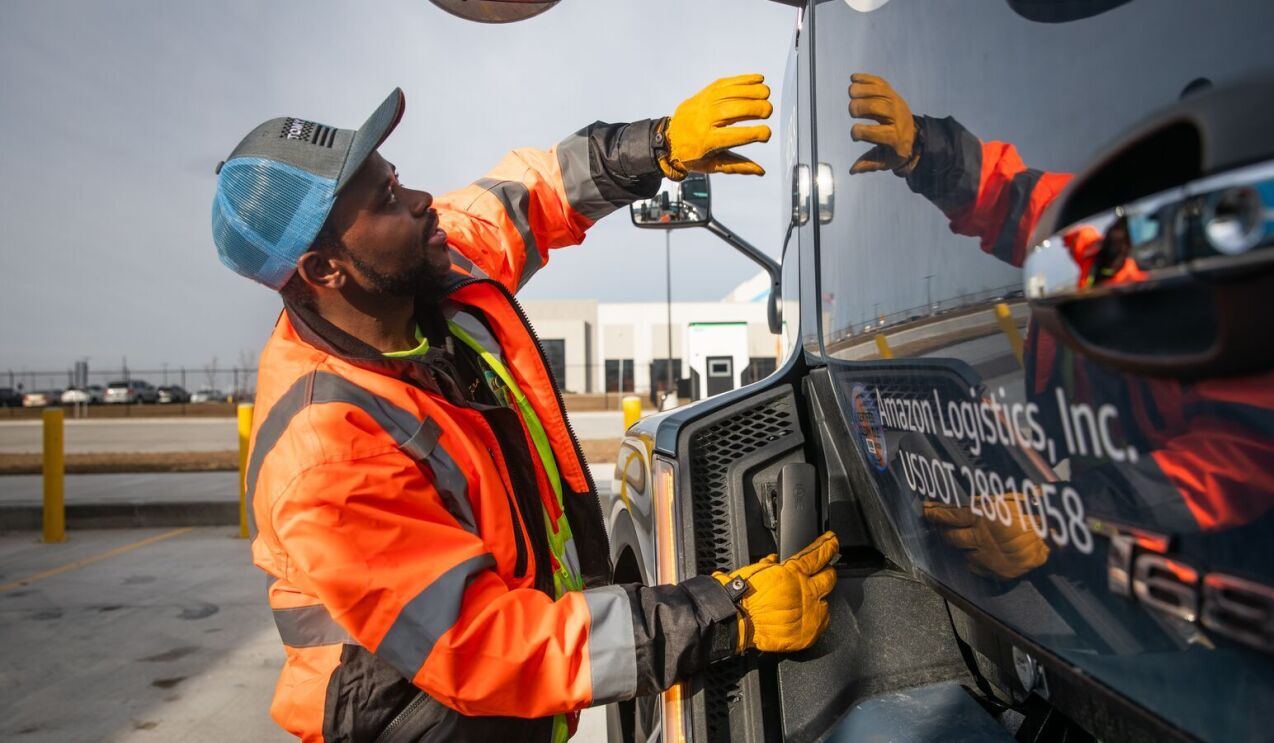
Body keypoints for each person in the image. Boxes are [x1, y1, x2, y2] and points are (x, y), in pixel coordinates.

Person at [211, 76, 839, 742]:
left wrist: (657, 147)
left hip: (507, 697)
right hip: (431, 719)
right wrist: (724, 615)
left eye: (397, 176)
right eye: (388, 198)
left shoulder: (418, 277)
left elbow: (526, 198)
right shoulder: (328, 453)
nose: (424, 201)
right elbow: (485, 644)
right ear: (324, 269)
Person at [847, 73, 1274, 553]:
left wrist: (1057, 518)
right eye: (1179, 178)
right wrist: (926, 151)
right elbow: (1017, 200)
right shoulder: (1121, 232)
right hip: (1081, 484)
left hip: (1177, 568)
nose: (1183, 207)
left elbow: (1217, 475)